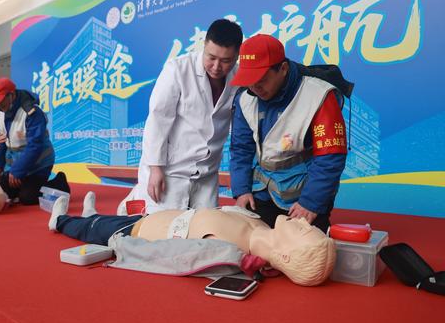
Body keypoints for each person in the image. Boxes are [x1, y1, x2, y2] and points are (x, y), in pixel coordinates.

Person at [48, 192, 336, 287]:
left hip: (136, 232)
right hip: (155, 217)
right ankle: (91, 215)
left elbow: (168, 256)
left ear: (284, 256)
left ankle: (59, 221)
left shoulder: (227, 252)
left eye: (302, 230)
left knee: (90, 229)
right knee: (98, 220)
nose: (303, 222)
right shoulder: (259, 223)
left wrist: (122, 248)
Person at [229, 34, 349, 232]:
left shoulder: (319, 96)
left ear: (283, 69)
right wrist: (241, 190)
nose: (255, 87)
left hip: (304, 197)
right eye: (250, 80)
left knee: (307, 248)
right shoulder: (245, 98)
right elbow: (241, 148)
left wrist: (311, 203)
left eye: (261, 80)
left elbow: (330, 157)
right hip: (260, 193)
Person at [124, 19, 243, 214]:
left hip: (206, 174)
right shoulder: (178, 69)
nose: (216, 66)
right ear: (204, 45)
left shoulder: (239, 79)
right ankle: (130, 203)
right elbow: (158, 120)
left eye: (225, 61)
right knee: (161, 227)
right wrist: (155, 168)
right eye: (211, 57)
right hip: (170, 171)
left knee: (204, 228)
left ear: (237, 55)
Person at [0, 77, 70, 205]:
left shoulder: (33, 113)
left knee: (28, 197)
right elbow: (3, 139)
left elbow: (35, 146)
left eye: (1, 100)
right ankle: (24, 184)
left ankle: (59, 182)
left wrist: (17, 170)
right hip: (18, 163)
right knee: (1, 190)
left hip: (39, 164)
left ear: (12, 95)